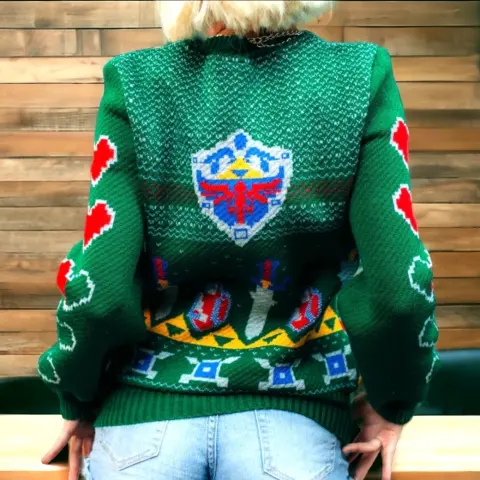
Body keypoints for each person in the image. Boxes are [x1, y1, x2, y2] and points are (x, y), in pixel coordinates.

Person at [38, 1, 440, 479]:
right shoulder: (359, 76)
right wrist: (392, 402)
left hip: (143, 425)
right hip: (296, 429)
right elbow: (399, 289)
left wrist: (78, 396)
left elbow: (98, 289)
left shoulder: (135, 81)